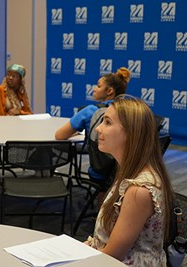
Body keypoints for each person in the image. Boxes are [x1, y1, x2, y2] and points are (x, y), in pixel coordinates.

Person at [84, 96, 174, 266]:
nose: (98, 129)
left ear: (130, 133)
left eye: (107, 122)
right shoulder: (129, 171)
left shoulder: (138, 191)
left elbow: (112, 256)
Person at [55, 67, 131, 186]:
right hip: (127, 171)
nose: (94, 89)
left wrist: (77, 131)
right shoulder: (131, 111)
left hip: (100, 172)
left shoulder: (90, 111)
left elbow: (59, 135)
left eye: (99, 86)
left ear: (110, 91)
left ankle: (102, 204)